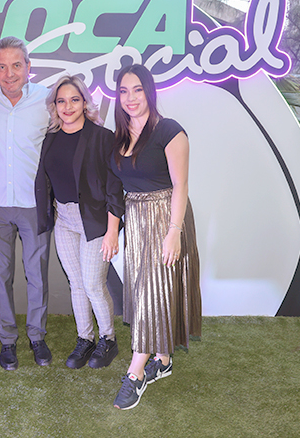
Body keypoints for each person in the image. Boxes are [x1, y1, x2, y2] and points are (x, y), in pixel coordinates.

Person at [109, 64, 201, 410]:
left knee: (152, 291)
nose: (130, 98)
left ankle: (136, 373)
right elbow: (117, 187)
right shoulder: (119, 136)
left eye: (137, 90)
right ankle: (162, 360)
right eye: (123, 91)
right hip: (136, 221)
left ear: (149, 91)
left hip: (165, 218)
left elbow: (181, 185)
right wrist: (114, 229)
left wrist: (174, 232)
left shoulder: (169, 131)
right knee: (146, 291)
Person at [34, 74, 124, 371]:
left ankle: (108, 339)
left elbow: (114, 187)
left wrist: (112, 231)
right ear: (54, 106)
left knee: (93, 285)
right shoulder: (50, 138)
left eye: (74, 100)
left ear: (85, 103)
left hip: (94, 221)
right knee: (76, 284)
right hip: (64, 220)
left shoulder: (102, 137)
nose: (68, 106)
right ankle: (85, 339)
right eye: (61, 101)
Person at [0, 36, 52, 370]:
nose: (9, 74)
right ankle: (7, 340)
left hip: (33, 203)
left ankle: (37, 337)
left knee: (37, 275)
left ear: (28, 67)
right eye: (1, 67)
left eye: (16, 66)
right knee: (1, 275)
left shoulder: (46, 99)